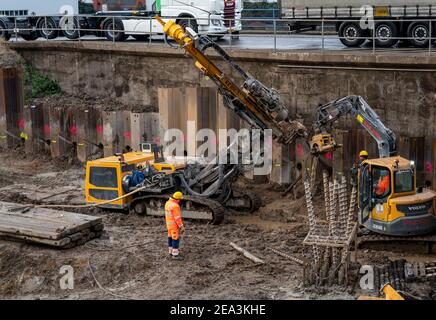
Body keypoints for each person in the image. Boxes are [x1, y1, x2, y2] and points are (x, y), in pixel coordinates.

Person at [165, 191, 185, 260]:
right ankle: (175, 255)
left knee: (170, 238)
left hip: (168, 225)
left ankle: (170, 251)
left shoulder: (168, 203)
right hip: (174, 226)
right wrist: (181, 226)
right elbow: (177, 218)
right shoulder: (175, 206)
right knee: (175, 239)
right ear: (178, 199)